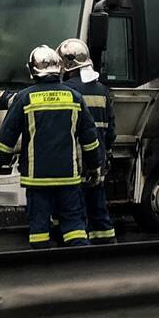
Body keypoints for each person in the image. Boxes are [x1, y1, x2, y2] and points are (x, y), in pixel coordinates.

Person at [0, 45, 103, 249]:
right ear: (59, 68)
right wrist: (94, 166)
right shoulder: (74, 97)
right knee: (74, 226)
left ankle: (44, 265)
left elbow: (7, 138)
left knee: (39, 231)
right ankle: (81, 262)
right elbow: (90, 138)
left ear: (33, 71)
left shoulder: (25, 98)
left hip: (37, 179)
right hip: (68, 178)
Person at [56, 38, 117, 244]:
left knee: (74, 212)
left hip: (74, 162)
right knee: (98, 208)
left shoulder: (65, 90)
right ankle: (108, 245)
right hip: (97, 160)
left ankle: (79, 250)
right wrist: (106, 153)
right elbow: (111, 130)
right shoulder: (102, 90)